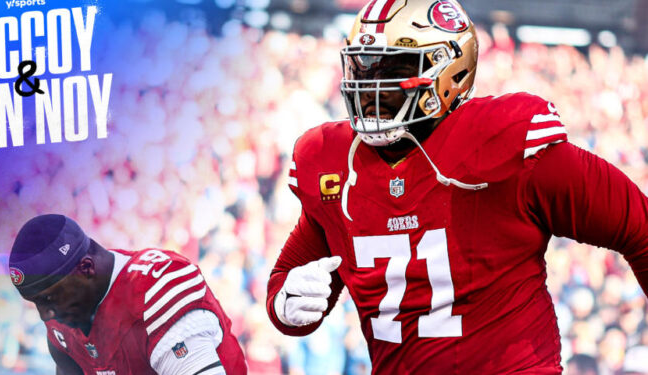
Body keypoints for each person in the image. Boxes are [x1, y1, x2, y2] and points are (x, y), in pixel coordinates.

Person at [265, 0, 648, 373]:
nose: (371, 88)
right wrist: (285, 304)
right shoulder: (333, 162)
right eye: (363, 67)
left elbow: (639, 227)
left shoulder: (508, 143)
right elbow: (289, 287)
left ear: (450, 73)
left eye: (393, 68)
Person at [8, 214, 247, 375]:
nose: (44, 314)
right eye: (36, 302)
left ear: (86, 269)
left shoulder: (156, 288)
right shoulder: (64, 318)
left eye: (50, 298)